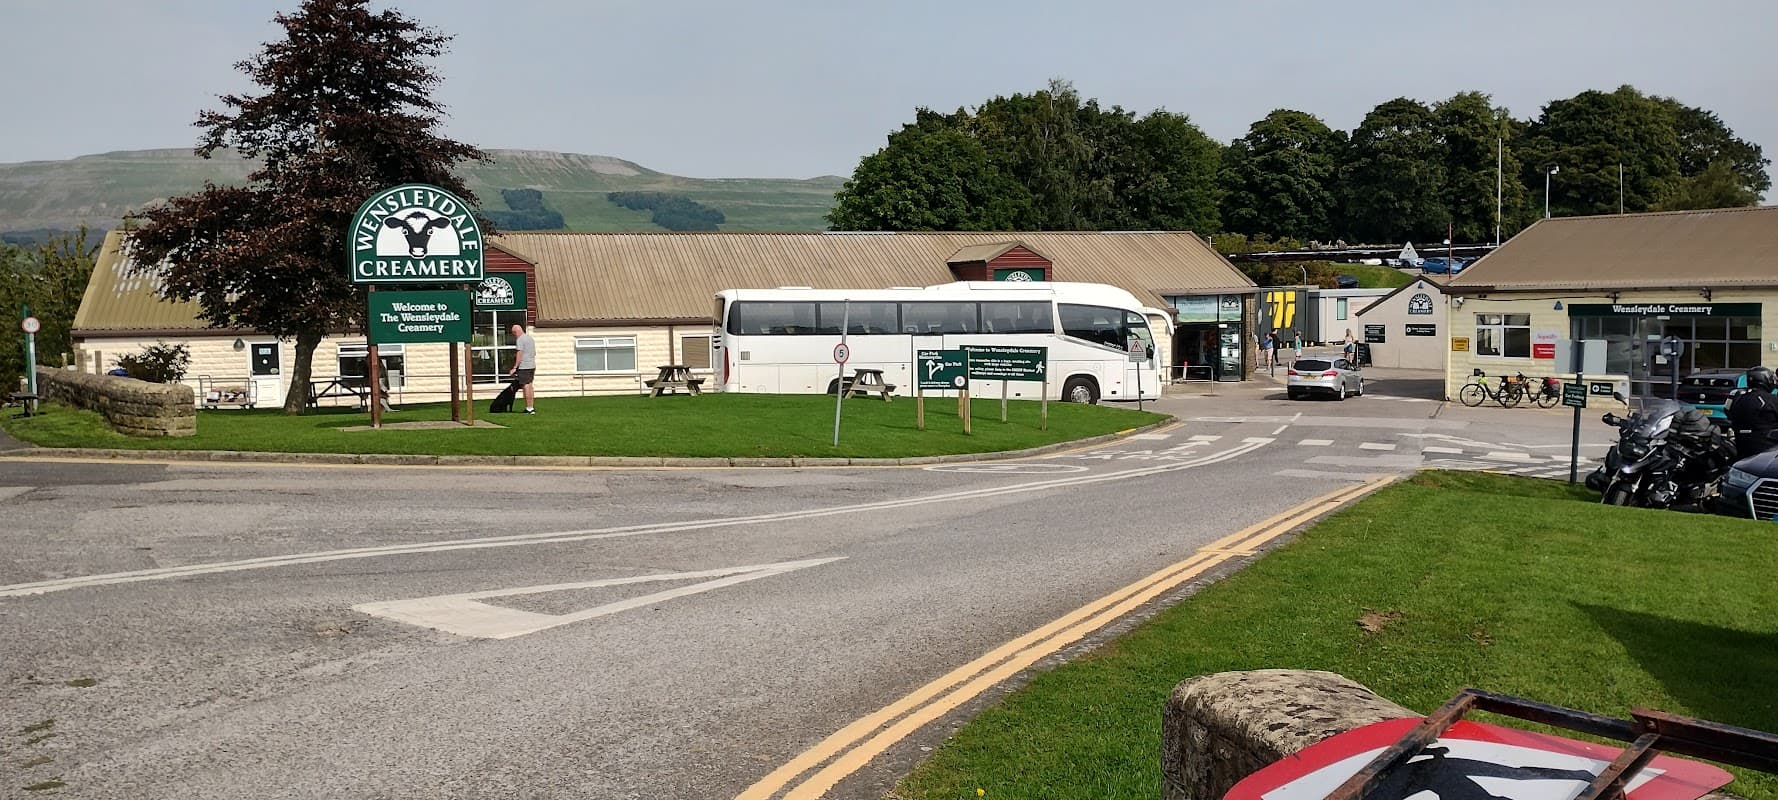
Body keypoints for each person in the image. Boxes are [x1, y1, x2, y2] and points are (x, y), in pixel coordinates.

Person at [1727, 365, 1778, 459]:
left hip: (1741, 445)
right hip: (1767, 449)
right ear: (1764, 380)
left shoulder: (1738, 397)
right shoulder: (1770, 400)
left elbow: (1728, 413)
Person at [507, 323, 537, 414]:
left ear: (516, 332)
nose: (514, 336)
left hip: (524, 366)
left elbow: (519, 354)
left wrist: (515, 367)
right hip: (532, 365)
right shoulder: (529, 338)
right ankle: (531, 406)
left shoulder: (520, 340)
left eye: (514, 333)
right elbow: (534, 352)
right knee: (530, 385)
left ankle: (529, 408)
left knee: (525, 386)